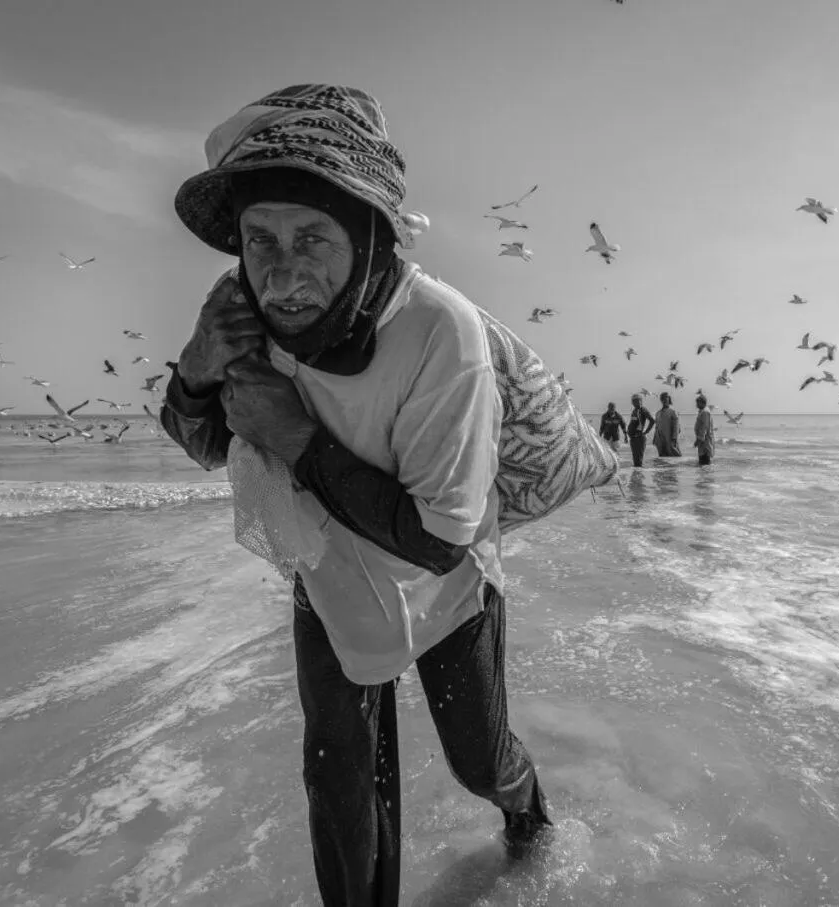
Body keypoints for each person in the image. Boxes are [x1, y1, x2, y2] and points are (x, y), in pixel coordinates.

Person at [161, 84, 551, 906]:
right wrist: (198, 366)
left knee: (478, 761)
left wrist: (297, 434)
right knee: (337, 781)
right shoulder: (245, 314)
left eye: (313, 238)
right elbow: (201, 442)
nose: (284, 272)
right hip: (328, 568)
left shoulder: (442, 335)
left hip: (445, 587)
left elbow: (442, 537)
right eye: (259, 239)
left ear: (371, 237)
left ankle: (530, 814)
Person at [627, 393, 655, 467]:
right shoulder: (634, 411)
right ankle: (636, 476)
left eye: (637, 400)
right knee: (635, 462)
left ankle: (639, 476)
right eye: (633, 401)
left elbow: (652, 421)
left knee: (638, 462)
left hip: (639, 438)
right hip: (633, 438)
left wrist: (646, 432)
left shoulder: (643, 410)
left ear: (641, 401)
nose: (635, 402)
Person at [651, 392, 681, 457]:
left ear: (669, 399)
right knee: (662, 459)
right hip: (660, 440)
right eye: (663, 398)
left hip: (670, 439)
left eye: (666, 398)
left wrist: (674, 438)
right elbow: (657, 427)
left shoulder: (673, 412)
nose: (664, 400)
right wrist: (654, 439)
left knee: (675, 457)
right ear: (661, 400)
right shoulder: (658, 413)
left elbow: (677, 427)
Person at [694, 394, 715, 466]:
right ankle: (704, 476)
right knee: (703, 463)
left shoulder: (705, 412)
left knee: (705, 462)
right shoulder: (702, 411)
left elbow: (704, 427)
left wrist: (698, 439)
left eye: (697, 402)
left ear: (703, 403)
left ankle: (706, 476)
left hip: (705, 442)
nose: (696, 404)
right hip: (703, 441)